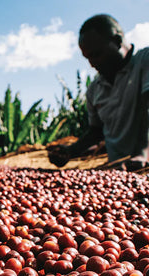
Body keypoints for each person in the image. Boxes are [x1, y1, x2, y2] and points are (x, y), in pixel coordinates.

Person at [48, 14, 149, 171]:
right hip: (118, 172)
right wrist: (70, 151)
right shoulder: (95, 90)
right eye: (87, 57)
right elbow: (96, 132)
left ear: (116, 41)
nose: (92, 64)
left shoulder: (144, 61)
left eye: (97, 54)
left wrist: (142, 153)